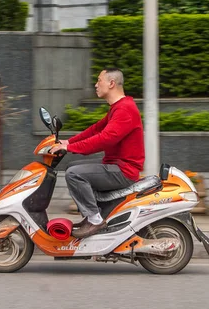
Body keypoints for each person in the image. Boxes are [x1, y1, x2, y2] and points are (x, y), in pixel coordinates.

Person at [49, 68, 145, 238]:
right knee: (72, 167)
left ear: (111, 83)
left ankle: (95, 219)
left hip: (124, 170)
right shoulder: (118, 107)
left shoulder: (124, 110)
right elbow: (95, 130)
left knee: (74, 174)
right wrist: (69, 142)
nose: (96, 84)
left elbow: (105, 139)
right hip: (115, 165)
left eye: (99, 80)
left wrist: (71, 148)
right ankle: (96, 214)